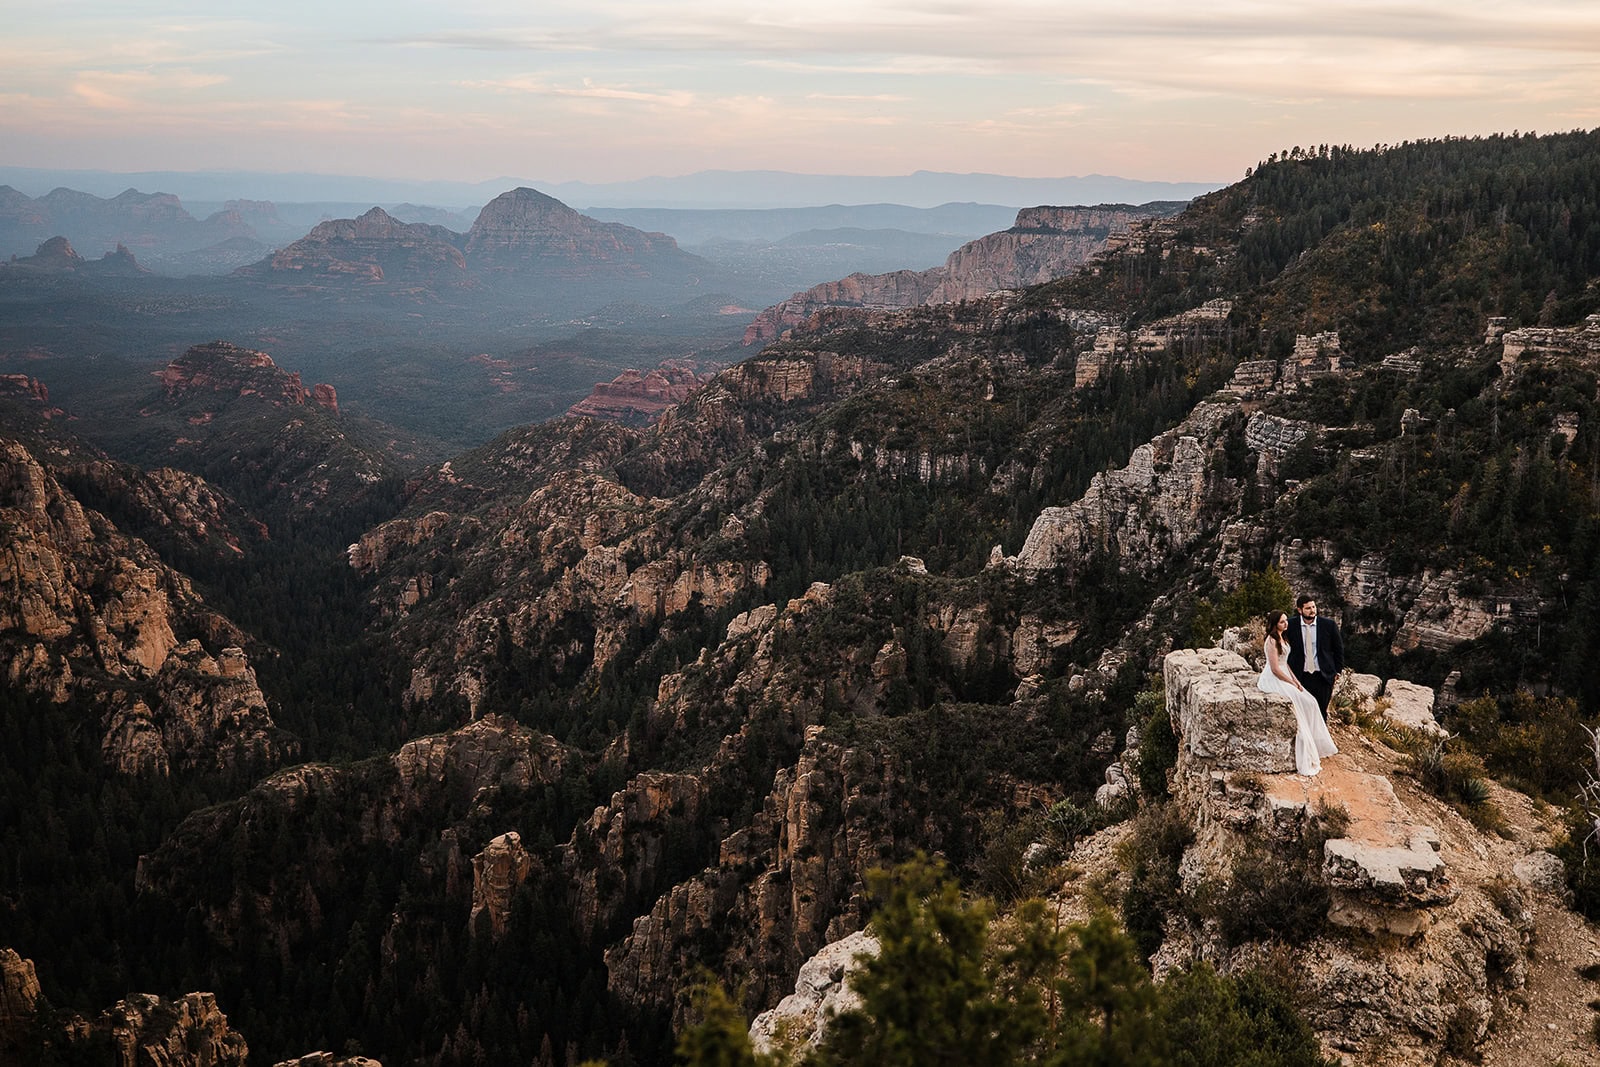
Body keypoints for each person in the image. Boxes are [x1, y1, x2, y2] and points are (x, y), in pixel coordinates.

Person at [1258, 610, 1339, 776]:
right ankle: (1306, 743)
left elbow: (1285, 664)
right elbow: (1274, 668)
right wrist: (1290, 683)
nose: (1286, 624)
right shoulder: (1271, 640)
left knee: (1311, 702)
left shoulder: (1283, 637)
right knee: (1301, 703)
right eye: (1282, 622)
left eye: (1286, 621)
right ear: (1274, 624)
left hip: (1285, 675)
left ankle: (1317, 742)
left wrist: (1296, 681)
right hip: (1273, 678)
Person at [1284, 594, 1343, 718]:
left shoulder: (1329, 625)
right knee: (1301, 711)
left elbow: (1338, 649)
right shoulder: (1290, 625)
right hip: (1300, 675)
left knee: (1321, 711)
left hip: (1323, 675)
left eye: (1314, 607)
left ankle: (1320, 737)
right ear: (1300, 610)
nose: (1312, 611)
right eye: (1308, 608)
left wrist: (1337, 671)